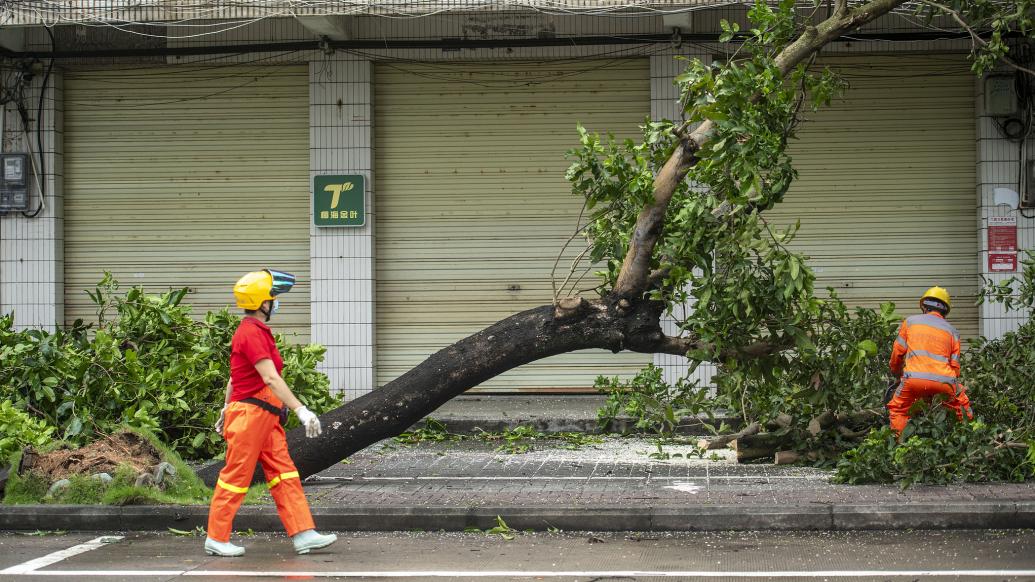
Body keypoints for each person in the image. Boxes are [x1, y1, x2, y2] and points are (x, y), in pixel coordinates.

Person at [204, 268, 337, 557]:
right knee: (236, 476)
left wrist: (226, 407)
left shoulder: (256, 332)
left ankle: (303, 534)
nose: (276, 302)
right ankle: (216, 536)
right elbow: (271, 379)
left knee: (284, 473)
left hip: (262, 417)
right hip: (252, 415)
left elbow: (233, 378)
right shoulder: (250, 333)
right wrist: (301, 409)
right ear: (263, 303)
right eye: (273, 297)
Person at [886, 286, 973, 435]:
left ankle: (900, 447)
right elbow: (955, 367)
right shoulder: (953, 332)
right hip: (945, 382)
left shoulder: (911, 322)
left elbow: (898, 353)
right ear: (945, 310)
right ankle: (967, 439)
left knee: (898, 408)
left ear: (924, 306)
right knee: (962, 407)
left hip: (913, 380)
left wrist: (896, 372)